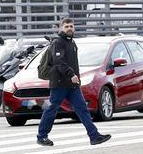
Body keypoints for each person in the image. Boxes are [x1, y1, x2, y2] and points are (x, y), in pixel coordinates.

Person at [37, 18, 111, 147]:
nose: (69, 28)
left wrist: (76, 79)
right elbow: (59, 62)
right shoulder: (57, 42)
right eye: (66, 26)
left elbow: (72, 63)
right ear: (61, 28)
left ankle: (94, 136)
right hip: (60, 83)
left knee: (82, 109)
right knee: (51, 109)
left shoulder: (72, 43)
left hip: (72, 85)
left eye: (71, 26)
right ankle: (42, 136)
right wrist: (71, 74)